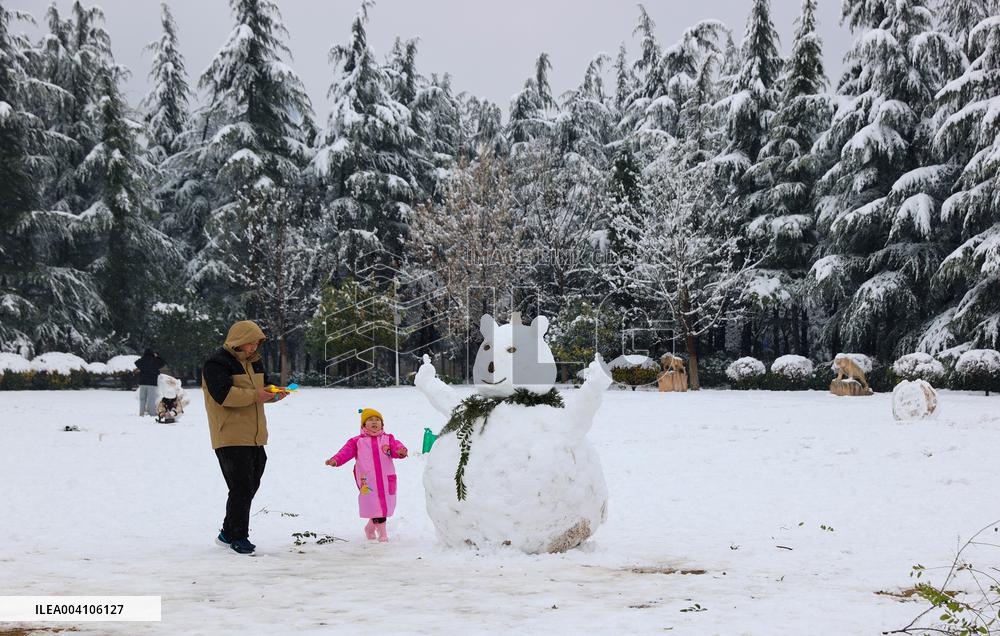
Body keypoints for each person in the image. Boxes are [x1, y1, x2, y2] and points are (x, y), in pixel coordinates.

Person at [202, 320, 286, 555]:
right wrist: (256, 395)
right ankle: (238, 536)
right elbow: (223, 394)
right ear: (239, 340)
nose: (253, 348)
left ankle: (228, 531)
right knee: (241, 486)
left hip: (255, 434)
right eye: (251, 344)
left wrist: (274, 393)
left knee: (251, 483)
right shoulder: (216, 363)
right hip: (229, 434)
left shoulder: (254, 362)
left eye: (257, 344)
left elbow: (263, 387)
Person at [326, 408, 408, 542]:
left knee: (382, 506)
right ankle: (383, 534)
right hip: (369, 481)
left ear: (382, 424)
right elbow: (345, 453)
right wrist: (335, 460)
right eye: (370, 420)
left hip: (386, 480)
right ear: (363, 425)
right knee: (375, 505)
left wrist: (401, 451)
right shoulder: (357, 441)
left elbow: (396, 448)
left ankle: (370, 528)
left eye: (377, 420)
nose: (374, 422)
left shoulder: (388, 439)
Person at [134, 349, 166, 416]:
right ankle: (152, 413)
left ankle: (141, 413)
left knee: (142, 399)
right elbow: (163, 362)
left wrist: (143, 358)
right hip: (152, 382)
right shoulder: (155, 360)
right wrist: (157, 356)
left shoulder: (142, 360)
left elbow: (136, 362)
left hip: (142, 382)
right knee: (151, 399)